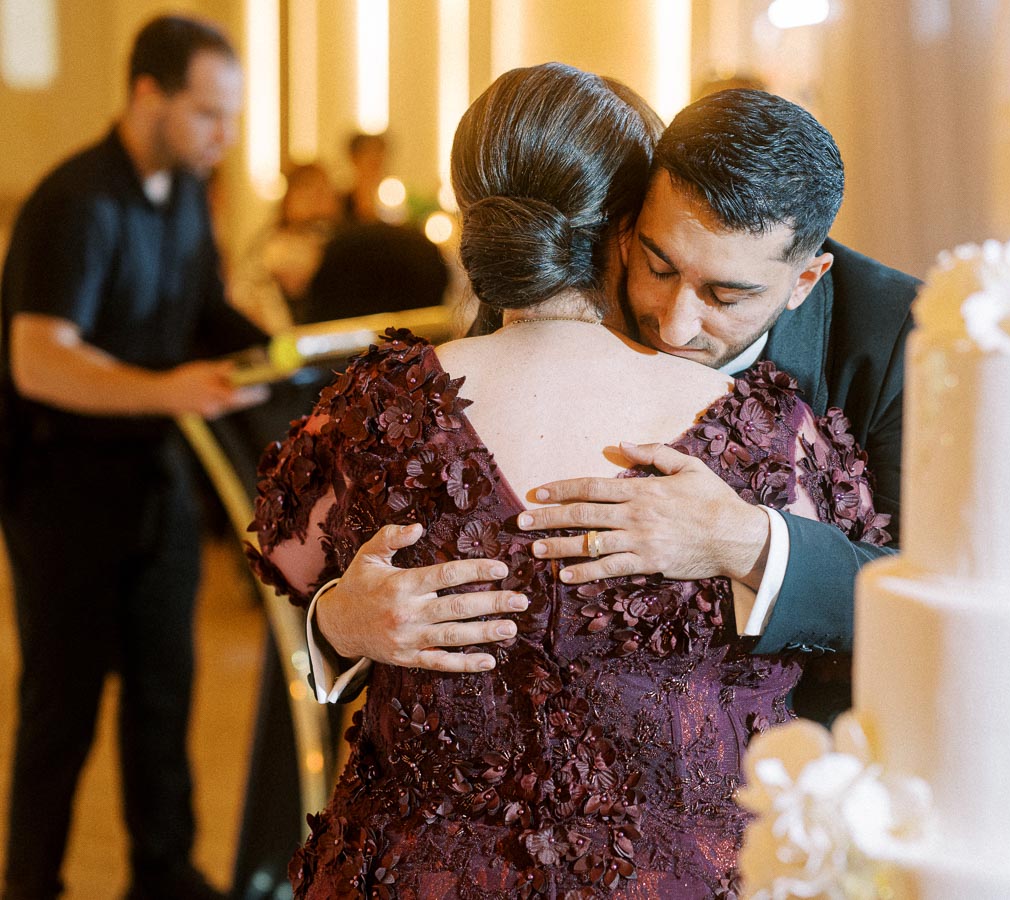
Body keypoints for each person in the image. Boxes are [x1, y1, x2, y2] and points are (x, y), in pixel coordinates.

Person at [249, 62, 886, 897]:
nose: (681, 316)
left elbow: (289, 563)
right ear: (630, 226)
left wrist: (333, 617)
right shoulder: (767, 432)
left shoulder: (380, 407)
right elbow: (874, 605)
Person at [311, 87, 917, 724]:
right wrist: (338, 624)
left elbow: (931, 595)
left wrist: (748, 543)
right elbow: (322, 571)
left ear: (805, 281)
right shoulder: (571, 283)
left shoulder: (896, 336)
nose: (676, 327)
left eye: (726, 296)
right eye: (658, 267)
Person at [0, 16, 268, 900]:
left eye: (229, 117)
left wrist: (283, 355)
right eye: (207, 114)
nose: (223, 137)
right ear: (146, 94)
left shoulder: (188, 193)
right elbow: (39, 358)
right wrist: (171, 389)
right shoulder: (75, 202)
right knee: (60, 715)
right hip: (62, 496)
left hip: (155, 487)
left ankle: (163, 873)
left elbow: (201, 311)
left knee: (163, 696)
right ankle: (32, 882)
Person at [230, 161, 341, 333]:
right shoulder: (274, 242)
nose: (315, 200)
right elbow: (294, 280)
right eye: (306, 191)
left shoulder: (336, 237)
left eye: (322, 192)